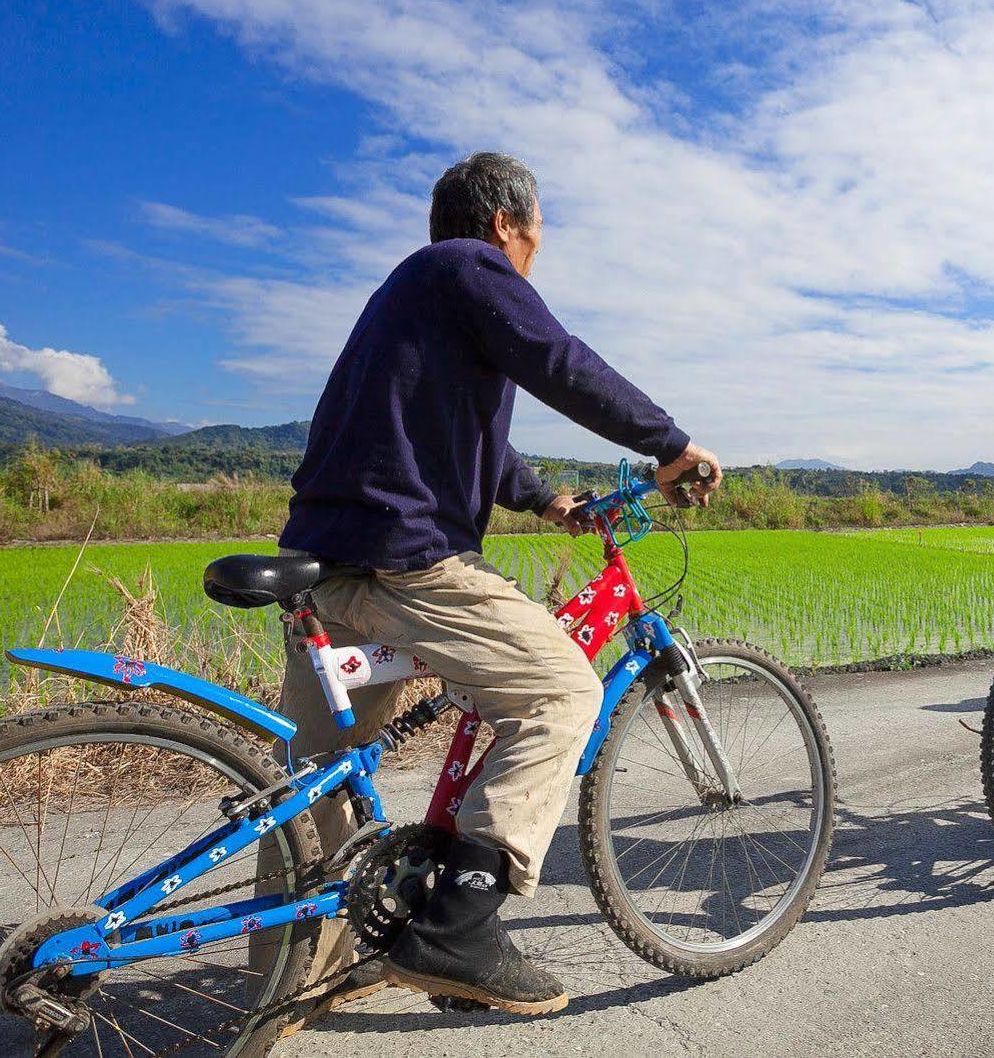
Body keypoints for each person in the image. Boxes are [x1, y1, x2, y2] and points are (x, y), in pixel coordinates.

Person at [273, 151, 721, 1017]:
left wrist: (547, 499)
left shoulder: (413, 294)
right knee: (560, 693)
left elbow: (466, 437)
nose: (536, 252)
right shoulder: (467, 267)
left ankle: (292, 982)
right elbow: (555, 357)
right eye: (537, 234)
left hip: (328, 563)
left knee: (316, 787)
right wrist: (668, 443)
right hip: (405, 559)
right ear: (505, 224)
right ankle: (455, 929)